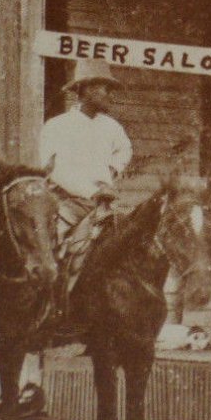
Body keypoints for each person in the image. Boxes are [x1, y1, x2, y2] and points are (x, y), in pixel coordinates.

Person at [38, 59, 133, 292]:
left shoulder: (111, 127)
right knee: (52, 254)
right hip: (67, 205)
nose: (110, 95)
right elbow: (54, 170)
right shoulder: (57, 126)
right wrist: (91, 191)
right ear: (87, 89)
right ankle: (51, 304)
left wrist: (112, 170)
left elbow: (125, 149)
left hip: (103, 206)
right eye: (105, 89)